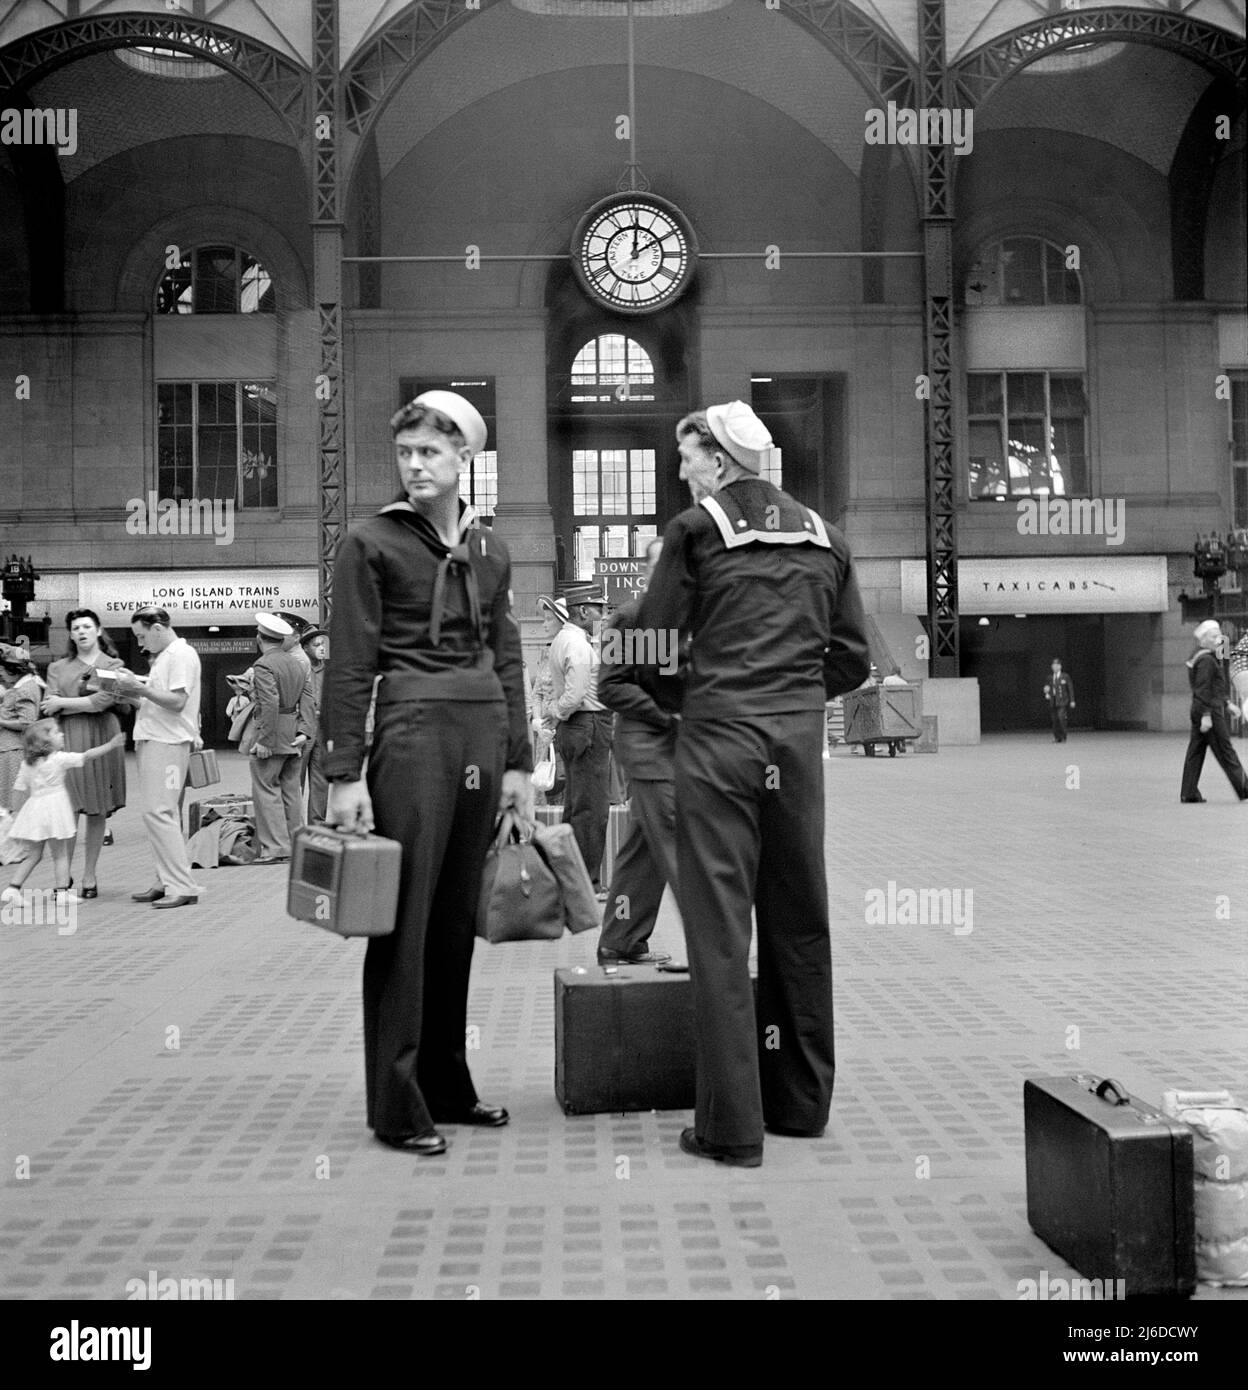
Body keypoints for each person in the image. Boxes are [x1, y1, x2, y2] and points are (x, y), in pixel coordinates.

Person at [640, 400, 870, 1167]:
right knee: (800, 919)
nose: (681, 472)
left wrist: (699, 703)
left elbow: (649, 647)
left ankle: (732, 1128)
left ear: (719, 461)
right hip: (797, 746)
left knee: (718, 932)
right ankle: (801, 1106)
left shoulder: (695, 533)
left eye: (687, 457)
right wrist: (794, 700)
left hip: (718, 743)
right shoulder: (826, 536)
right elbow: (854, 659)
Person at [322, 389, 532, 1156]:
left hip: (482, 733)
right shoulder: (369, 543)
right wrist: (345, 772)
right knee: (404, 924)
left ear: (464, 458)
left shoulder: (492, 550)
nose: (414, 465)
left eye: (430, 453)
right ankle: (396, 1102)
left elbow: (505, 657)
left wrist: (518, 765)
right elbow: (349, 664)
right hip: (412, 736)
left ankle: (447, 1082)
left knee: (453, 925)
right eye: (406, 452)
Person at [595, 536, 676, 965]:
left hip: (678, 748)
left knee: (644, 850)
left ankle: (620, 941)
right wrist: (664, 713)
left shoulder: (687, 618)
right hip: (646, 747)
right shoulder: (629, 619)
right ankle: (713, 947)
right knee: (679, 837)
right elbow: (610, 686)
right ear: (645, 572)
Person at [112, 608, 204, 909]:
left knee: (160, 812)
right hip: (159, 740)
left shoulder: (180, 655)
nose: (141, 644)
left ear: (158, 628)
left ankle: (181, 884)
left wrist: (139, 688)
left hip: (168, 743)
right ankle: (166, 880)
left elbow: (177, 702)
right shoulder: (168, 656)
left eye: (142, 635)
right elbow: (159, 703)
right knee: (162, 813)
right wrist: (130, 695)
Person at [40, 610, 128, 897]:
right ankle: (63, 876)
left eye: (87, 626)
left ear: (98, 629)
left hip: (104, 734)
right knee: (67, 807)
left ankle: (89, 876)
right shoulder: (57, 667)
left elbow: (106, 699)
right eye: (76, 627)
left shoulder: (113, 664)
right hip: (68, 737)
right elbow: (46, 706)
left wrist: (63, 702)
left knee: (97, 807)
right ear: (70, 634)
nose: (81, 631)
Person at [1, 720, 125, 906]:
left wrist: (16, 813)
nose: (62, 735)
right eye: (56, 733)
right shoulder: (59, 759)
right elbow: (87, 756)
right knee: (60, 854)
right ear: (45, 742)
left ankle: (12, 888)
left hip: (34, 811)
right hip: (54, 811)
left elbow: (20, 787)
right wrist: (110, 745)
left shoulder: (27, 764)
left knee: (34, 854)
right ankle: (62, 892)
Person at [539, 582, 613, 894]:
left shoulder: (563, 640)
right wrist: (556, 710)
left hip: (576, 729)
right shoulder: (579, 645)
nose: (604, 613)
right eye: (599, 608)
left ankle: (570, 878)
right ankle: (587, 883)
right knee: (592, 810)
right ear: (583, 610)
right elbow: (574, 695)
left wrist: (556, 714)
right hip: (589, 725)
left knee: (576, 805)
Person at [247, 612, 314, 863]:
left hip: (272, 734)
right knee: (291, 791)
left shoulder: (263, 664)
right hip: (293, 734)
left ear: (259, 638)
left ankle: (275, 848)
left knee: (266, 790)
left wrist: (264, 739)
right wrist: (305, 731)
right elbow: (308, 698)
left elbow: (269, 702)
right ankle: (296, 845)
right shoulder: (298, 662)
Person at [1180, 619, 1248, 803]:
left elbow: (1219, 678)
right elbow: (1204, 690)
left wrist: (1228, 703)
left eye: (1220, 633)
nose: (1219, 637)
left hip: (1203, 707)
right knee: (1226, 751)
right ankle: (1244, 788)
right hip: (1209, 710)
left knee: (1195, 751)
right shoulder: (1206, 660)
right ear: (1203, 639)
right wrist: (1207, 716)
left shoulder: (1205, 655)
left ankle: (1189, 792)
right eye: (1214, 635)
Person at [0, 648, 41, 810]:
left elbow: (27, 722)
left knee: (10, 800)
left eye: (2, 670)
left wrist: (2, 721)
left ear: (13, 670)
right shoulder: (22, 686)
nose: (1, 674)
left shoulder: (24, 689)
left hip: (12, 751)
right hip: (10, 750)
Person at [298, 628, 329, 823]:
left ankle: (317, 825)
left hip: (324, 729)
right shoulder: (299, 669)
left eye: (323, 644)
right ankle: (294, 825)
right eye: (316, 645)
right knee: (295, 780)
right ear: (305, 648)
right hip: (303, 728)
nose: (322, 648)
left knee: (321, 781)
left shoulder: (331, 670)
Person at [1043, 657, 1076, 743]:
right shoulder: (1050, 677)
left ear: (1060, 666)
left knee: (1061, 717)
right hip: (1053, 701)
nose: (1054, 667)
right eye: (1053, 665)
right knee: (1054, 720)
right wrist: (1046, 693)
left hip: (1062, 701)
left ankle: (1063, 736)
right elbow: (1047, 688)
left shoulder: (1065, 676)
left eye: (1056, 665)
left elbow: (1070, 688)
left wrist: (1072, 700)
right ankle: (1057, 737)